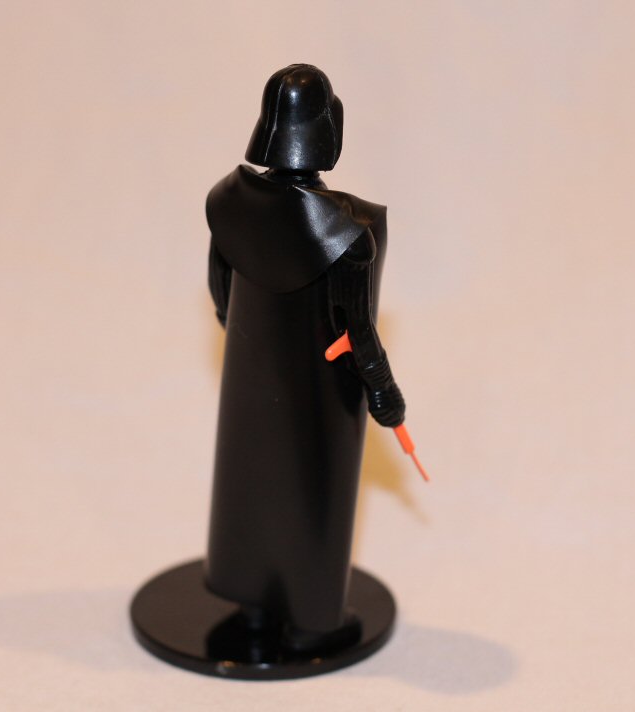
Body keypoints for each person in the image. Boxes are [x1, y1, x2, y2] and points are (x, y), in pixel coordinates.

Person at [203, 64, 406, 653]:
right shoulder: (348, 230)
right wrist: (383, 390)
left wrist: (242, 336)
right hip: (319, 386)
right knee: (312, 487)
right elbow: (358, 328)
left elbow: (220, 288)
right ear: (325, 129)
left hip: (249, 370)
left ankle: (252, 604)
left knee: (248, 478)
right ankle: (312, 619)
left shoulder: (229, 201)